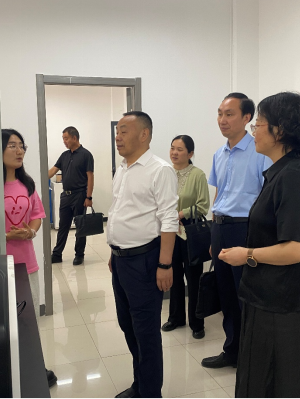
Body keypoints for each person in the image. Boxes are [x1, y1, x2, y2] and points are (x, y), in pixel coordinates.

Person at [220, 92, 300, 399]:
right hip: (267, 298)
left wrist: (247, 255)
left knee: (285, 384)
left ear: (280, 130)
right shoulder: (279, 172)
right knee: (259, 379)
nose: (254, 132)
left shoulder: (295, 175)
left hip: (285, 305)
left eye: (259, 125)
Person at [0, 128, 57, 388]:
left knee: (27, 322)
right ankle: (1, 371)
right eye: (12, 146)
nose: (19, 151)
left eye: (21, 145)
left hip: (26, 265)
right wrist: (6, 236)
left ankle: (30, 366)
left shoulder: (27, 184)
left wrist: (30, 232)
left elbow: (37, 215)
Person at [107, 111, 178, 399]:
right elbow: (120, 212)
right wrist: (114, 250)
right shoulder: (123, 168)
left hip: (145, 261)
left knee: (146, 332)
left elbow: (169, 219)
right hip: (121, 260)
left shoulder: (159, 170)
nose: (118, 137)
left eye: (124, 131)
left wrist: (165, 264)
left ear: (144, 134)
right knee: (128, 326)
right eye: (117, 131)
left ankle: (150, 393)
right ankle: (140, 385)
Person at [201, 93, 271, 369]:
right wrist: (213, 232)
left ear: (246, 118)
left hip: (245, 229)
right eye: (220, 113)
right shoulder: (219, 154)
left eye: (229, 114)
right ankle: (232, 351)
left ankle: (253, 358)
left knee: (246, 296)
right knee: (227, 294)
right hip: (220, 228)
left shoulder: (260, 151)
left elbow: (267, 195)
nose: (222, 119)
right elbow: (219, 194)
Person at [161, 135, 209, 339]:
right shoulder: (165, 172)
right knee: (173, 276)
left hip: (190, 231)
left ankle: (197, 322)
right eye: (172, 148)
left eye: (180, 149)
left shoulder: (198, 175)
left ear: (190, 153)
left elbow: (203, 205)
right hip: (169, 231)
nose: (174, 153)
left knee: (194, 278)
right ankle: (176, 317)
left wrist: (182, 214)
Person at [48, 126, 94, 266]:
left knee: (80, 226)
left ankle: (79, 255)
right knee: (63, 226)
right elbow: (53, 170)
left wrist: (89, 197)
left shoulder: (86, 155)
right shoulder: (64, 155)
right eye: (63, 138)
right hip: (66, 195)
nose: (64, 141)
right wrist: (38, 178)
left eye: (66, 138)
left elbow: (90, 177)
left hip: (80, 195)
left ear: (74, 138)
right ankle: (57, 254)